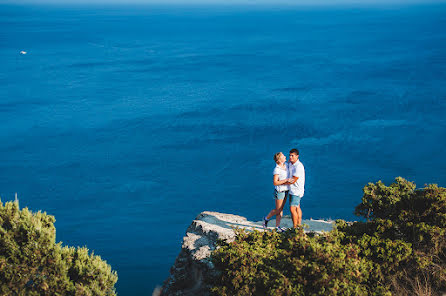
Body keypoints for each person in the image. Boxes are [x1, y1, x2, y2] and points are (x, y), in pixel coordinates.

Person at [263, 152, 290, 232]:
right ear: (279, 160)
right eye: (283, 156)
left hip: (286, 190)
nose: (285, 156)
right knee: (278, 210)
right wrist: (286, 180)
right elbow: (275, 182)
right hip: (280, 191)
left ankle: (277, 227)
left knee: (281, 209)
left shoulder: (286, 165)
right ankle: (266, 219)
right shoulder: (277, 169)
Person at [288, 148, 305, 228]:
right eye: (290, 155)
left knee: (292, 209)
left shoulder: (298, 166)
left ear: (297, 156)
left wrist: (280, 183)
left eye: (292, 156)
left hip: (296, 191)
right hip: (292, 190)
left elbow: (293, 180)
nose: (290, 157)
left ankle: (295, 227)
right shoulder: (291, 164)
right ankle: (299, 225)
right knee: (297, 206)